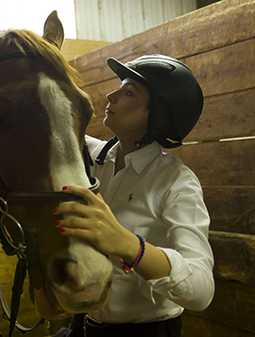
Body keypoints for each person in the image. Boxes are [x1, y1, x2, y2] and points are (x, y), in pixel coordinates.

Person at [53, 55, 215, 337]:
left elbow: (201, 290)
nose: (110, 95)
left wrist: (129, 246)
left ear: (157, 115)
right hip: (83, 328)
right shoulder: (89, 155)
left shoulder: (177, 182)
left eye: (127, 92)